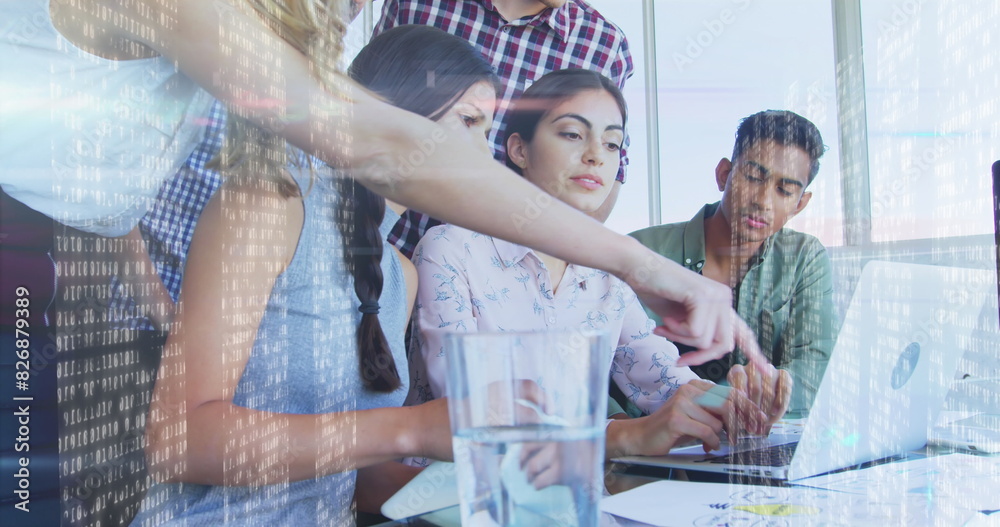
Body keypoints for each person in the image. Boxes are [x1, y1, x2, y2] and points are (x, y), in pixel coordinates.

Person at [128, 24, 499, 524]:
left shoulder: (401, 276)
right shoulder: (269, 206)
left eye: (490, 132)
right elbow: (178, 443)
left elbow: (343, 478)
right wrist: (410, 429)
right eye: (470, 122)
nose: (485, 154)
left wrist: (491, 489)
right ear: (398, 108)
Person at [407, 71, 790, 470]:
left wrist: (734, 408)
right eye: (573, 134)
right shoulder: (451, 249)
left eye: (612, 143)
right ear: (519, 150)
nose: (596, 156)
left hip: (565, 499)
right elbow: (476, 419)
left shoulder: (608, 277)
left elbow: (664, 383)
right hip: (448, 501)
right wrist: (626, 435)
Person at [374, 0, 634, 257]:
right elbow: (365, 105)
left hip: (498, 274)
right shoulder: (414, 4)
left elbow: (605, 165)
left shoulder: (603, 43)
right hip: (382, 244)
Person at [629, 110, 836, 417]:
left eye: (785, 190)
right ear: (724, 174)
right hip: (646, 449)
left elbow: (815, 366)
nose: (763, 201)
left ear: (800, 204)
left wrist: (731, 402)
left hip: (752, 442)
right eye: (753, 177)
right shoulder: (641, 251)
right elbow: (598, 370)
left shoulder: (804, 257)